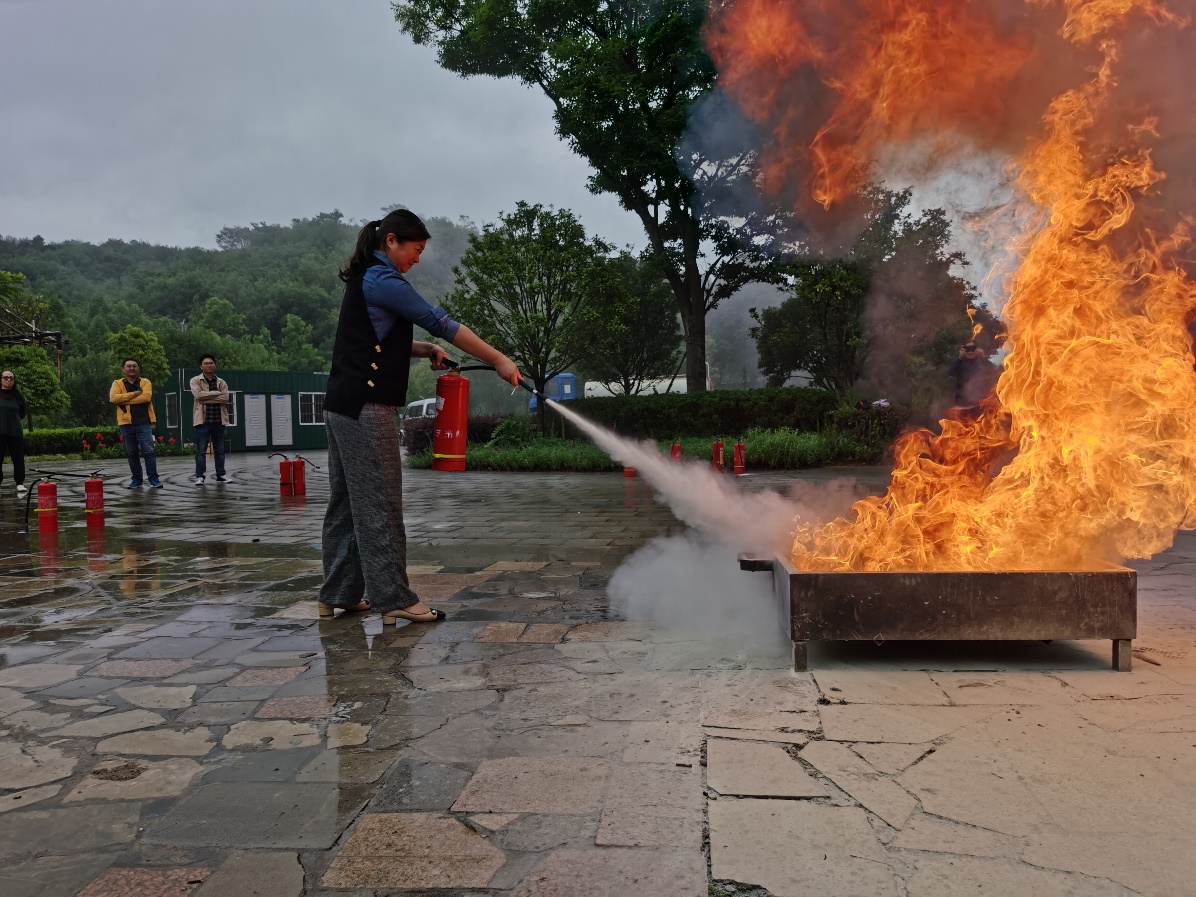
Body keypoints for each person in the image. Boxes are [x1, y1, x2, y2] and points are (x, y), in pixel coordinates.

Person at [319, 209, 520, 625]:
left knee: (346, 505)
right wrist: (499, 359)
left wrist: (426, 350)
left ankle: (337, 593)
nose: (418, 257)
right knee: (380, 504)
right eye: (416, 248)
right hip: (366, 408)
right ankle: (393, 598)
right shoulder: (384, 280)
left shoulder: (366, 278)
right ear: (391, 241)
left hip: (341, 406)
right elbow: (439, 321)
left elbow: (382, 336)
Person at [110, 358, 162, 488]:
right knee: (132, 452)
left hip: (143, 422)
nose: (131, 368)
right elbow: (114, 398)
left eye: (134, 366)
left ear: (138, 368)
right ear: (123, 369)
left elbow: (146, 398)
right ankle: (136, 479)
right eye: (128, 366)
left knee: (149, 451)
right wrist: (135, 394)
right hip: (126, 423)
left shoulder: (145, 382)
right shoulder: (117, 383)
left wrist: (125, 399)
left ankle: (154, 479)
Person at [190, 354, 230, 485]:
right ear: (201, 366)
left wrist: (207, 397)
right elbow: (198, 395)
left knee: (220, 451)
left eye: (211, 363)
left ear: (215, 365)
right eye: (206, 363)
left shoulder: (221, 382)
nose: (209, 365)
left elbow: (226, 398)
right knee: (201, 451)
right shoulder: (195, 380)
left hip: (219, 421)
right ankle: (200, 476)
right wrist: (217, 393)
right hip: (203, 422)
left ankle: (221, 475)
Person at [0, 370, 28, 496]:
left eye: (11, 378)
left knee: (18, 459)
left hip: (15, 432)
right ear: (0, 379)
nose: (8, 380)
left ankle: (19, 483)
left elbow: (22, 413)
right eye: (5, 377)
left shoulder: (19, 396)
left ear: (14, 380)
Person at [947, 341, 999, 408]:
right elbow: (951, 372)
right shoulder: (959, 363)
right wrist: (960, 358)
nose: (970, 352)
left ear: (977, 350)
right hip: (962, 404)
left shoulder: (982, 362)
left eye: (973, 349)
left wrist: (983, 356)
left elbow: (991, 371)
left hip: (980, 404)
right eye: (967, 349)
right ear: (963, 350)